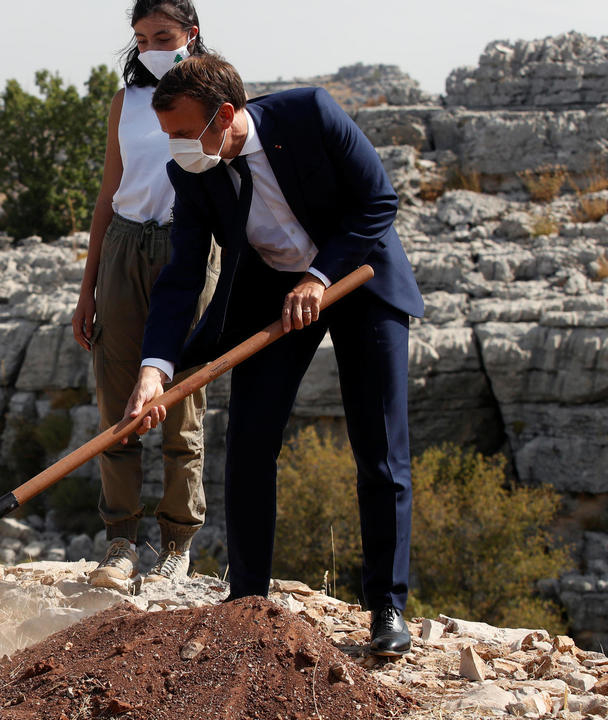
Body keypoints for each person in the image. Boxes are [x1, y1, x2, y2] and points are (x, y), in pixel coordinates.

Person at [125, 55, 423, 656]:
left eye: (183, 133)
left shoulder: (310, 113)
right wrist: (154, 369)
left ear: (226, 115)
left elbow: (377, 202)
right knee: (251, 441)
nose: (175, 148)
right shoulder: (194, 171)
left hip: (358, 276)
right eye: (168, 136)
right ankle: (246, 602)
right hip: (272, 297)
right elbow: (183, 275)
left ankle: (387, 609)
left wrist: (319, 275)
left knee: (379, 447)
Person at [73, 0, 219, 589]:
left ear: (191, 33)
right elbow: (110, 190)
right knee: (118, 398)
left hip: (189, 246)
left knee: (182, 397)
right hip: (125, 248)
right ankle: (120, 540)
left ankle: (178, 543)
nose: (151, 47)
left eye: (163, 35)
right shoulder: (127, 102)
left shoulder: (216, 98)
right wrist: (88, 288)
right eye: (141, 38)